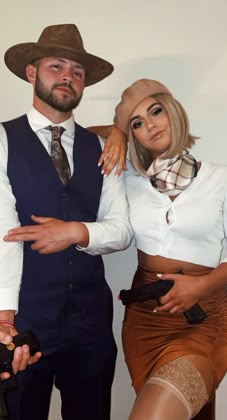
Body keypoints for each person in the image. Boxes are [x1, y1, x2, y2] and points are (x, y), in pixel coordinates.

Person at [79, 78, 227, 420]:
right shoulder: (129, 179)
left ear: (174, 112)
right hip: (146, 319)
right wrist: (116, 131)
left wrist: (200, 286)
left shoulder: (221, 178)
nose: (149, 125)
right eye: (137, 123)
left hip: (203, 315)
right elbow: (75, 137)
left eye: (155, 111)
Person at [0, 23, 132, 420]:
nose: (67, 77)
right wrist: (4, 315)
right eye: (56, 66)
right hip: (26, 316)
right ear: (31, 73)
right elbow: (4, 233)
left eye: (76, 71)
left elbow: (122, 228)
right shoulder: (3, 140)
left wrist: (77, 232)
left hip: (91, 323)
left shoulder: (103, 147)